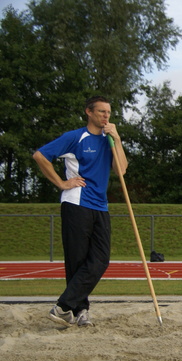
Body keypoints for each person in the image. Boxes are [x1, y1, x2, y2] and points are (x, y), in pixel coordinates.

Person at [33, 95, 128, 327]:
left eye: (108, 112)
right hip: (76, 202)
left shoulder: (109, 140)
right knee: (77, 260)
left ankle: (64, 307)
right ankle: (79, 310)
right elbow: (40, 155)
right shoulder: (75, 137)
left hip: (100, 205)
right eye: (101, 112)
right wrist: (62, 183)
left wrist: (117, 139)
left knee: (100, 259)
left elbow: (121, 170)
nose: (106, 116)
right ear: (89, 112)